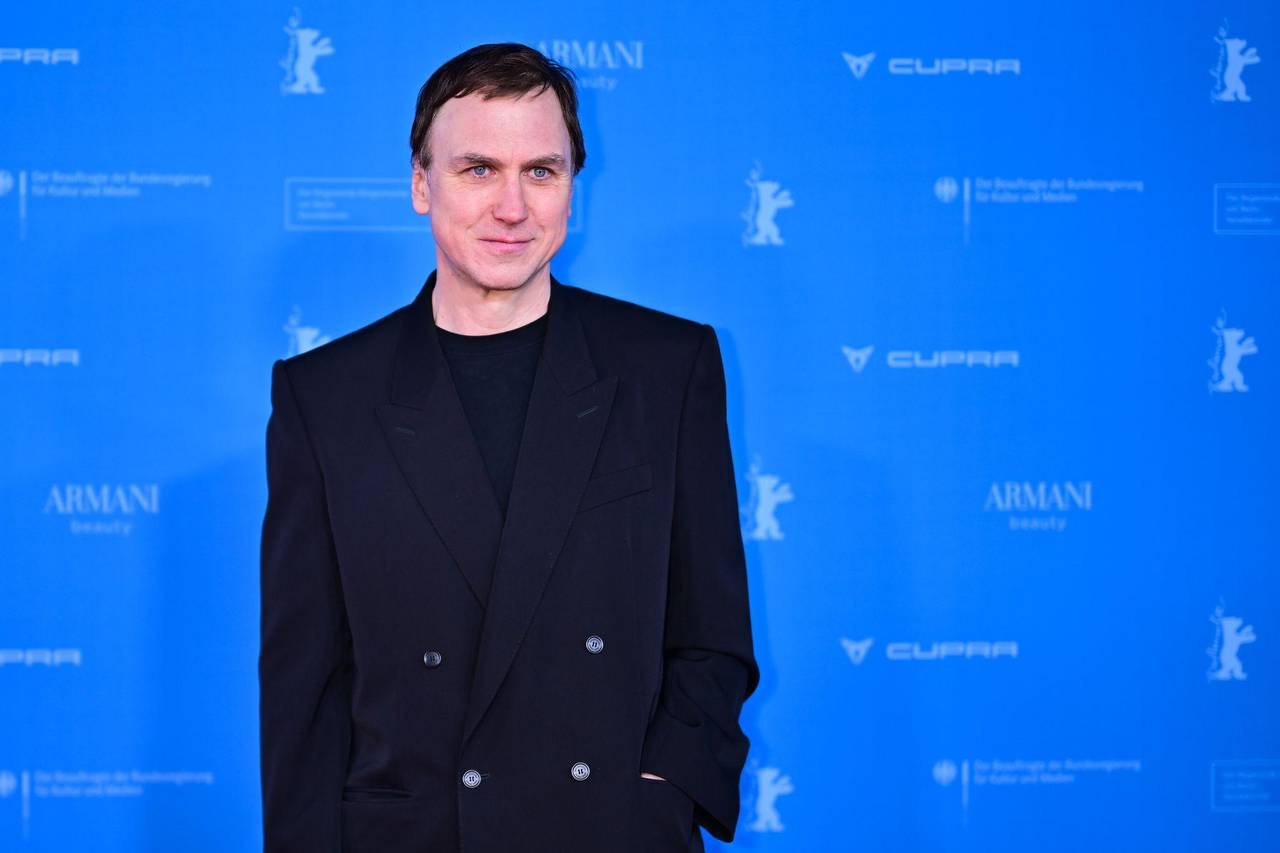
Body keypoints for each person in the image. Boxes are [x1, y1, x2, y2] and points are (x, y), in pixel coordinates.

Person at [259, 42, 758, 852]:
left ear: (572, 186)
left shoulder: (667, 368)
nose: (513, 206)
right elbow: (303, 689)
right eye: (479, 169)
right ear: (421, 184)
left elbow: (712, 635)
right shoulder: (325, 397)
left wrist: (664, 793)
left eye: (541, 171)